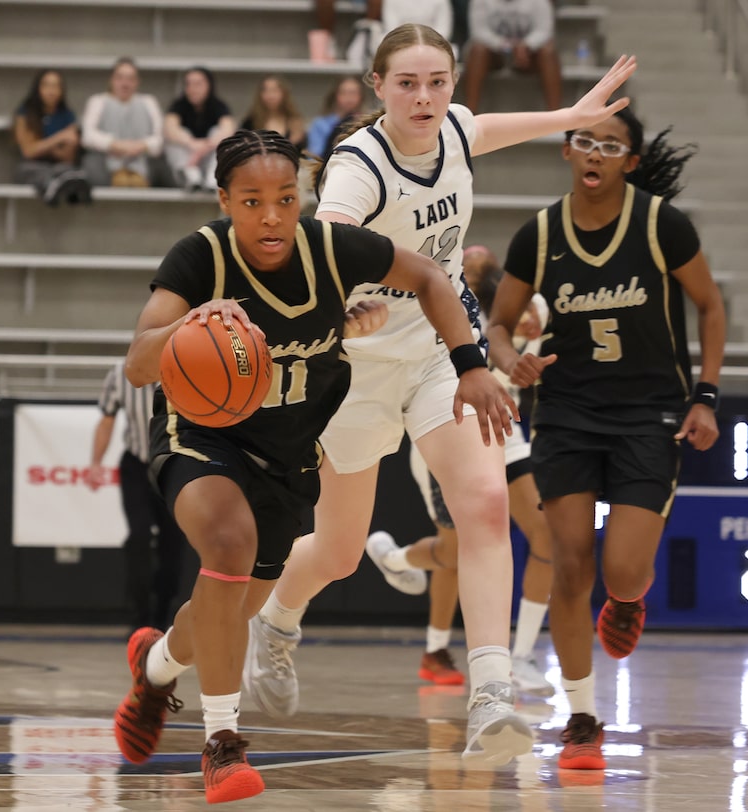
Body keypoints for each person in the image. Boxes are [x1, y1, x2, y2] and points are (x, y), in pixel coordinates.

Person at [244, 22, 636, 768]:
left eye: (438, 82)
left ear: (453, 84)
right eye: (407, 84)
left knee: (486, 505)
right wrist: (331, 307)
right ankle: (279, 620)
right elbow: (318, 248)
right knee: (337, 550)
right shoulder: (360, 166)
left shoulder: (454, 128)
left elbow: (485, 127)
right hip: (356, 362)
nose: (424, 97)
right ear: (377, 88)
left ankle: (491, 691)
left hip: (438, 348)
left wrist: (572, 116)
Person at [113, 128, 515, 805]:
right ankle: (222, 742)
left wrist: (469, 364)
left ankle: (155, 667)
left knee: (228, 604)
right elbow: (137, 362)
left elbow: (427, 276)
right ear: (224, 200)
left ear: (302, 198)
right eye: (251, 201)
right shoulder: (200, 256)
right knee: (229, 548)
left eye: (284, 199)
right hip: (203, 437)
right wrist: (186, 330)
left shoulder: (331, 252)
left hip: (285, 450)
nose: (270, 216)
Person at [486, 108, 726, 771]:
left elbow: (709, 304)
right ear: (568, 151)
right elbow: (499, 324)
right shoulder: (538, 235)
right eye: (586, 140)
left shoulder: (660, 226)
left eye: (611, 145)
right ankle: (583, 720)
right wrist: (510, 359)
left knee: (621, 570)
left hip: (649, 413)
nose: (596, 152)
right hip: (566, 413)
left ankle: (626, 601)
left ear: (630, 161)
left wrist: (705, 395)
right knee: (567, 563)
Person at [366, 245, 555, 697]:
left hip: (504, 427)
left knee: (545, 536)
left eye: (479, 262)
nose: (471, 260)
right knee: (454, 554)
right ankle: (394, 561)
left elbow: (537, 324)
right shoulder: (439, 306)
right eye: (463, 265)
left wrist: (527, 327)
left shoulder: (530, 304)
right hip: (452, 426)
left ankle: (521, 656)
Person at [86, 361, 187, 633]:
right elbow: (107, 420)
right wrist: (95, 462)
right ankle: (140, 618)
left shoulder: (185, 365)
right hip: (137, 466)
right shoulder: (120, 373)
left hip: (173, 463)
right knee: (139, 537)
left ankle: (163, 615)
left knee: (173, 544)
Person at [462, 0, 563, 113]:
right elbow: (479, 32)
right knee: (477, 50)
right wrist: (507, 45)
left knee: (548, 51)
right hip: (495, 55)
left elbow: (544, 31)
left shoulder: (540, 2)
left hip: (528, 55)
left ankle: (555, 116)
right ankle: (470, 115)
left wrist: (526, 45)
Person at [81, 57, 168, 187]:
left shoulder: (149, 102)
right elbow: (88, 136)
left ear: (137, 82)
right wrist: (115, 145)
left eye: (130, 79)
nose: (125, 83)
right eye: (120, 78)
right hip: (106, 161)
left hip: (142, 159)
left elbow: (160, 138)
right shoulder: (98, 101)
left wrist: (141, 146)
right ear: (111, 80)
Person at [12, 68, 91, 206]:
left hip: (58, 167)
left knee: (67, 170)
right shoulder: (25, 113)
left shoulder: (67, 115)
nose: (51, 91)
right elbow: (29, 151)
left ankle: (64, 187)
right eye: (47, 85)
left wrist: (42, 146)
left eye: (55, 86)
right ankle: (52, 186)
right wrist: (59, 138)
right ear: (38, 88)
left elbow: (68, 157)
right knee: (32, 171)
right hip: (32, 167)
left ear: (62, 90)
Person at [163, 66, 235, 191]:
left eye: (198, 84)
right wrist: (192, 143)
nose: (192, 89)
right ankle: (190, 178)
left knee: (218, 134)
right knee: (175, 139)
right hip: (187, 161)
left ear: (209, 85)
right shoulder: (178, 106)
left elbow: (228, 129)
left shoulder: (218, 106)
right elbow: (169, 129)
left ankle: (212, 179)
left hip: (207, 159)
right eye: (188, 84)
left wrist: (204, 147)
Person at [307, 75, 368, 163]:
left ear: (361, 96)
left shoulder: (368, 123)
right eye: (344, 93)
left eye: (353, 93)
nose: (349, 98)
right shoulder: (320, 124)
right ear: (336, 95)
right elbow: (314, 157)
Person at [240, 75, 306, 152]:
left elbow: (303, 154)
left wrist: (295, 141)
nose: (270, 96)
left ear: (284, 94)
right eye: (266, 91)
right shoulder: (250, 122)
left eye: (275, 91)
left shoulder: (295, 122)